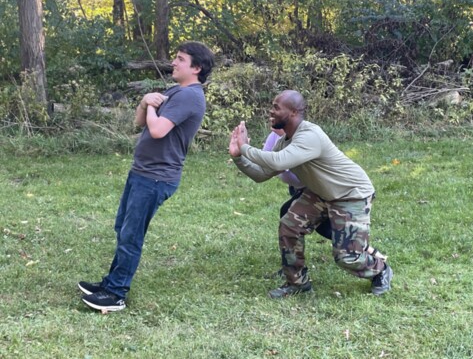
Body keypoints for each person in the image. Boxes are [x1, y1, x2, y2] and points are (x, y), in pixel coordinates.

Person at [79, 41, 215, 312]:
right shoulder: (177, 90)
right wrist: (144, 102)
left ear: (196, 68)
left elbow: (157, 130)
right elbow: (140, 122)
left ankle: (116, 294)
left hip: (156, 177)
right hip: (142, 172)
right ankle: (109, 283)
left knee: (131, 235)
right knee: (123, 228)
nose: (173, 63)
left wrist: (151, 106)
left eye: (180, 59)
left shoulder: (190, 96)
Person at [229, 90, 392, 298]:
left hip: (351, 194)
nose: (271, 111)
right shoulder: (285, 141)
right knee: (290, 226)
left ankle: (381, 270)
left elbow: (278, 161)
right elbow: (262, 174)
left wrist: (244, 147)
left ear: (294, 112)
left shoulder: (310, 135)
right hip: (321, 193)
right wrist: (238, 157)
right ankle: (297, 283)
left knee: (347, 257)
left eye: (277, 107)